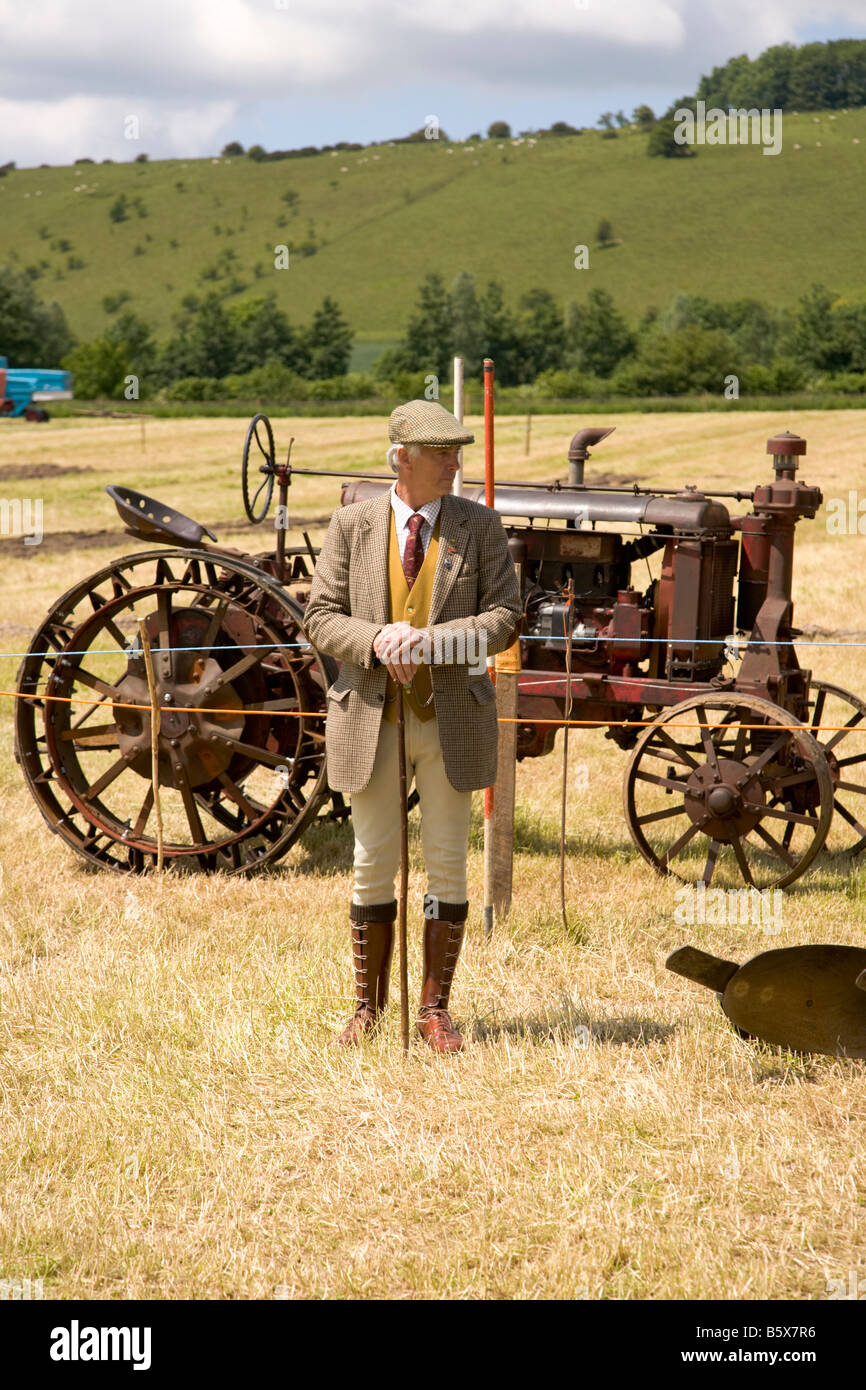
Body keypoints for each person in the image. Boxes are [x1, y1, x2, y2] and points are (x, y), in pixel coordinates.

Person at [304, 399, 521, 1053]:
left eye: (457, 452)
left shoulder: (480, 527)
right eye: (442, 453)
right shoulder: (352, 525)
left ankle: (434, 1010)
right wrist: (377, 640)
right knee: (372, 864)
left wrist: (427, 643)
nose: (455, 464)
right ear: (402, 458)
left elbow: (505, 616)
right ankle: (368, 1009)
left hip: (452, 721)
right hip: (372, 722)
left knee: (447, 867)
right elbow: (319, 616)